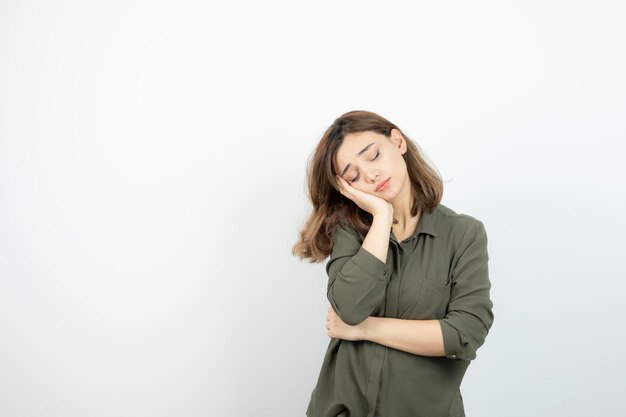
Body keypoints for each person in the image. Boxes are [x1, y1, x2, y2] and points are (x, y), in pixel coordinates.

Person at [292, 110, 495, 417]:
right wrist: (382, 216)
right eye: (353, 175)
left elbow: (464, 334)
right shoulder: (350, 230)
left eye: (373, 156)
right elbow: (349, 307)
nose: (370, 175)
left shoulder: (463, 233)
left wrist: (364, 330)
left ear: (397, 141)